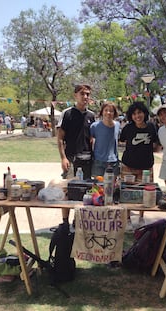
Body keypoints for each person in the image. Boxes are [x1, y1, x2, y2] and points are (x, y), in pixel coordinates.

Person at [57, 83, 95, 227]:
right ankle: (65, 223)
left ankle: (78, 221)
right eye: (82, 94)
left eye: (87, 94)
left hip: (87, 161)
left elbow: (92, 138)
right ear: (75, 95)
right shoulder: (67, 113)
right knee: (67, 191)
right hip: (71, 159)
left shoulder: (91, 115)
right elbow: (60, 137)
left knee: (85, 192)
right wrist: (63, 158)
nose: (85, 97)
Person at [120, 101, 159, 229]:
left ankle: (141, 218)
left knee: (145, 192)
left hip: (146, 167)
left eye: (140, 113)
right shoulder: (127, 128)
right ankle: (128, 219)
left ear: (144, 113)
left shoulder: (152, 127)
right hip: (128, 166)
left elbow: (155, 144)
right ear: (131, 116)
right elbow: (122, 141)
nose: (137, 116)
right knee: (127, 192)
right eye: (134, 114)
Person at [90, 101, 121, 177]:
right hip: (98, 162)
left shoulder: (117, 125)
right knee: (98, 187)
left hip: (113, 162)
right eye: (106, 110)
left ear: (114, 113)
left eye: (111, 111)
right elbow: (90, 141)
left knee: (113, 186)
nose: (108, 113)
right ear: (102, 112)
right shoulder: (94, 126)